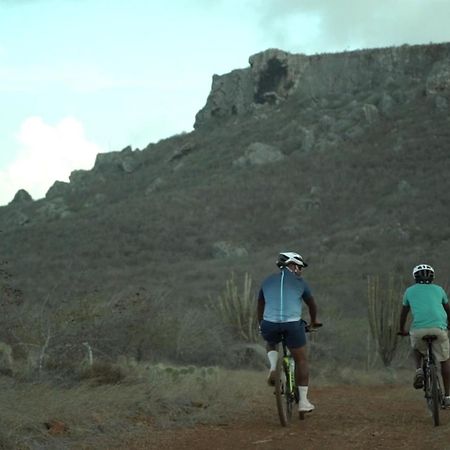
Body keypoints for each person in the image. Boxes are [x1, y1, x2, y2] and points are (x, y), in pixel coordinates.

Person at [257, 251, 321, 413]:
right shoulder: (300, 282)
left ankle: (273, 367)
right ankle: (304, 402)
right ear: (291, 266)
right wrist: (314, 322)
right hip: (292, 325)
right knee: (301, 360)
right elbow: (311, 305)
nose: (301, 270)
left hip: (269, 324)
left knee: (271, 342)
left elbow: (260, 304)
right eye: (299, 267)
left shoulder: (267, 281)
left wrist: (261, 324)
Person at [399, 264, 450, 408]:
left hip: (418, 330)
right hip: (439, 329)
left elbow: (404, 313)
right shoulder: (439, 290)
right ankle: (447, 396)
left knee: (416, 346)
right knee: (445, 359)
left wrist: (401, 329)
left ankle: (419, 370)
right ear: (432, 277)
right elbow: (448, 309)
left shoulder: (409, 291)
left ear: (415, 277)